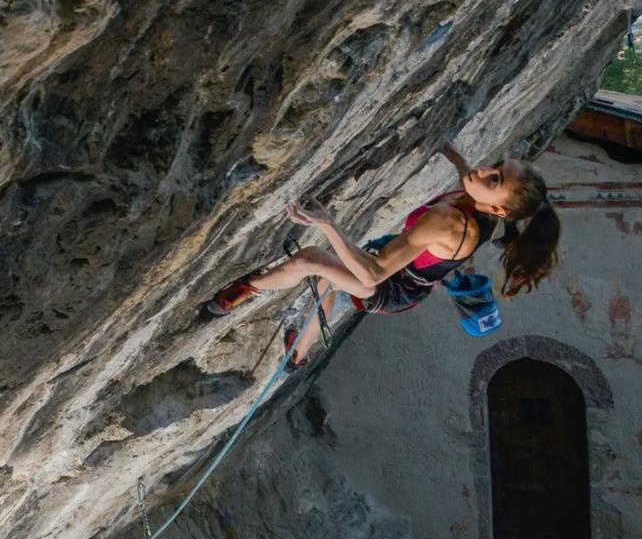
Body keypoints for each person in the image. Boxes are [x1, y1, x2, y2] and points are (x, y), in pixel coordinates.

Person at [206, 143, 561, 370]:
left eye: (495, 177)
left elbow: (373, 274)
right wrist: (451, 153)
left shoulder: (450, 223)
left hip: (392, 287)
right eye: (496, 163)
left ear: (498, 208)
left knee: (311, 260)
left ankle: (243, 291)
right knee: (329, 283)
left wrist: (328, 224)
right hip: (403, 273)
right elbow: (472, 181)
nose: (484, 171)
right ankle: (298, 356)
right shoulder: (484, 202)